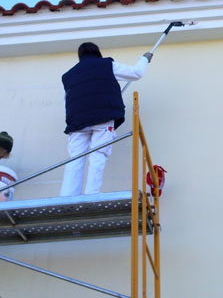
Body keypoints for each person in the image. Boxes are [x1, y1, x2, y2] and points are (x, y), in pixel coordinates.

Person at [60, 42, 153, 196]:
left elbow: (68, 101)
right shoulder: (106, 65)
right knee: (98, 156)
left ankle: (67, 196)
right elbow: (136, 73)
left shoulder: (68, 76)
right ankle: (91, 195)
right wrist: (144, 59)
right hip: (102, 118)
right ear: (98, 53)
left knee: (75, 159)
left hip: (77, 122)